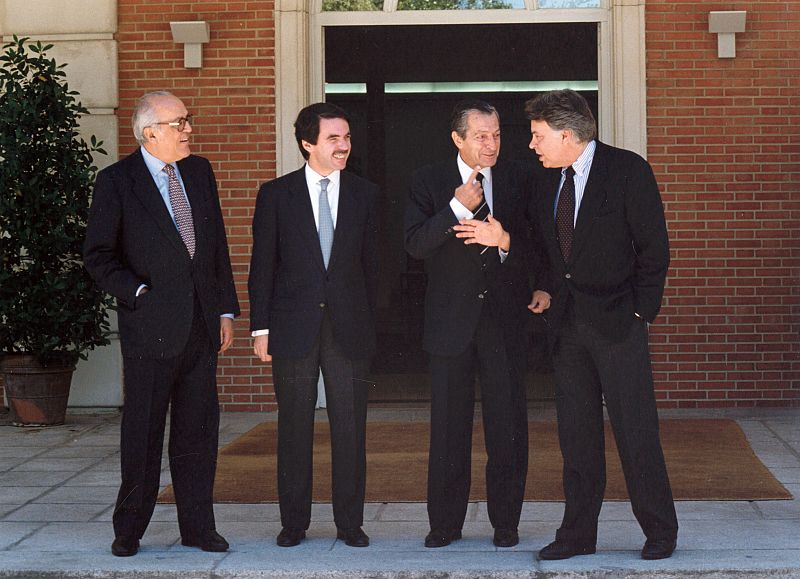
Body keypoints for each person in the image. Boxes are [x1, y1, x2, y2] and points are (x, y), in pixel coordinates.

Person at [524, 89, 678, 561]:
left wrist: (640, 313)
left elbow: (654, 250)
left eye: (538, 135)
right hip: (567, 328)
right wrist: (547, 288)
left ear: (566, 134)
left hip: (619, 325)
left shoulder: (628, 170)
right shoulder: (545, 180)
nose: (533, 145)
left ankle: (659, 532)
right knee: (577, 437)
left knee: (636, 431)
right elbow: (552, 251)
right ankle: (577, 535)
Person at [83, 91, 239, 557]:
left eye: (188, 120)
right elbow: (98, 257)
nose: (189, 129)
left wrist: (225, 310)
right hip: (149, 329)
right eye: (180, 122)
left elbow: (216, 249)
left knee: (198, 435)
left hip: (200, 330)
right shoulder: (116, 182)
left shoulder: (200, 172)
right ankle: (129, 529)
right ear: (151, 132)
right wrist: (139, 293)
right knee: (143, 436)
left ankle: (198, 528)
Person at [404, 99, 551, 549]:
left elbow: (541, 241)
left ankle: (505, 523)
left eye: (497, 135)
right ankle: (444, 525)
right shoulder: (427, 180)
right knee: (449, 430)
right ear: (458, 139)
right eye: (481, 136)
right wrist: (454, 208)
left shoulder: (521, 177)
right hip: (450, 323)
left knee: (507, 428)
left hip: (504, 321)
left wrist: (504, 242)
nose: (491, 144)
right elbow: (414, 245)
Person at [248, 102, 379, 548]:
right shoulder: (276, 195)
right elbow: (262, 266)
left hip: (349, 330)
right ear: (308, 144)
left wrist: (371, 323)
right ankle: (294, 524)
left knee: (350, 429)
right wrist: (260, 329)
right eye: (333, 139)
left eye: (346, 137)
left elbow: (376, 269)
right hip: (291, 330)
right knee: (294, 428)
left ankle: (350, 523)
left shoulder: (367, 194)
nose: (344, 146)